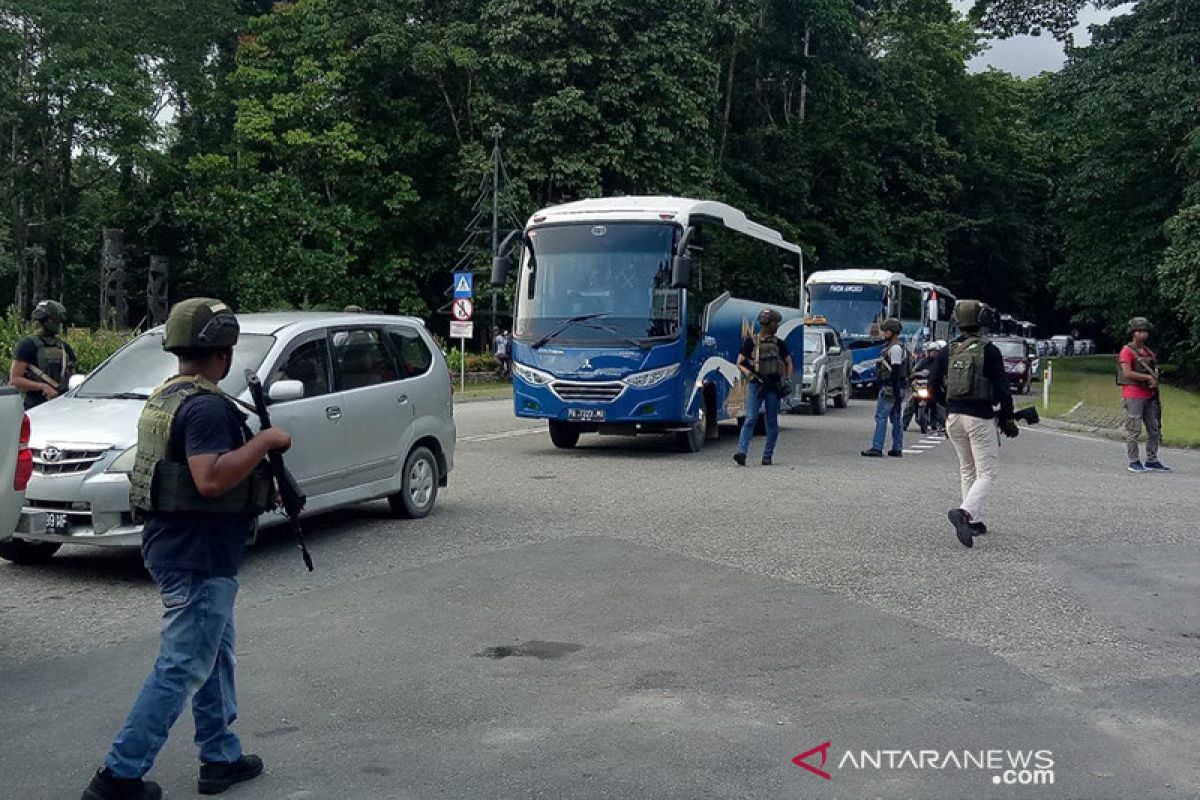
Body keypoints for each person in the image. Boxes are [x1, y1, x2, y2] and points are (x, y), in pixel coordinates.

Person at [81, 298, 291, 800]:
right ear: (223, 352)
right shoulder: (206, 407)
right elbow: (210, 479)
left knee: (214, 654)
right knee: (181, 666)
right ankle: (118, 777)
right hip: (196, 553)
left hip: (180, 545)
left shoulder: (166, 397)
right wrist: (264, 443)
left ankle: (220, 755)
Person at [930, 300, 1015, 548]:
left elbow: (933, 384)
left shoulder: (948, 350)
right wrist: (1007, 416)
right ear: (982, 321)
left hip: (953, 417)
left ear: (957, 321)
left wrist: (946, 407)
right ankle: (965, 513)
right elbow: (1002, 389)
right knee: (987, 472)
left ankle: (973, 521)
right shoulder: (989, 351)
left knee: (968, 469)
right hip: (979, 416)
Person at [734, 308, 794, 466]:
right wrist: (751, 375)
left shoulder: (779, 343)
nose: (776, 326)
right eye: (775, 323)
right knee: (750, 419)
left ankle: (767, 456)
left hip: (773, 386)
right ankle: (741, 452)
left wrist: (787, 380)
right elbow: (740, 362)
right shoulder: (751, 342)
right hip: (756, 384)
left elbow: (788, 362)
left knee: (771, 422)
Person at [1118, 317, 1169, 473]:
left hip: (1149, 394)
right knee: (1134, 429)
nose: (1143, 334)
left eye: (1145, 331)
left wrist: (1154, 380)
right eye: (1140, 331)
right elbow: (1127, 372)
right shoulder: (1127, 351)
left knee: (1153, 429)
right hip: (1133, 394)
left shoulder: (1148, 352)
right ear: (1133, 333)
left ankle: (1152, 459)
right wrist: (1147, 378)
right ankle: (1133, 461)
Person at [10, 299, 76, 409]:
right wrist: (42, 386)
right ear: (45, 321)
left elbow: (71, 375)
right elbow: (15, 380)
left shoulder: (64, 347)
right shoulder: (27, 345)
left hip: (61, 406)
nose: (59, 325)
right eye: (56, 321)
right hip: (35, 407)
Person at [860, 318, 909, 458]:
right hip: (898, 387)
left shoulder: (895, 349)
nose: (883, 334)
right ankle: (897, 448)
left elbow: (895, 371)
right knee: (896, 418)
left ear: (893, 333)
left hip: (890, 387)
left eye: (886, 331)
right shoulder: (898, 347)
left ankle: (877, 447)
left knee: (881, 417)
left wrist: (894, 390)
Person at [903, 340, 945, 433]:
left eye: (936, 351)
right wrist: (915, 375)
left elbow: (944, 375)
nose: (934, 353)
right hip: (922, 387)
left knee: (940, 404)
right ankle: (904, 424)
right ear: (928, 352)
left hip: (935, 388)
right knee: (910, 403)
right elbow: (914, 372)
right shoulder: (923, 362)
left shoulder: (940, 363)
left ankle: (944, 425)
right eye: (932, 351)